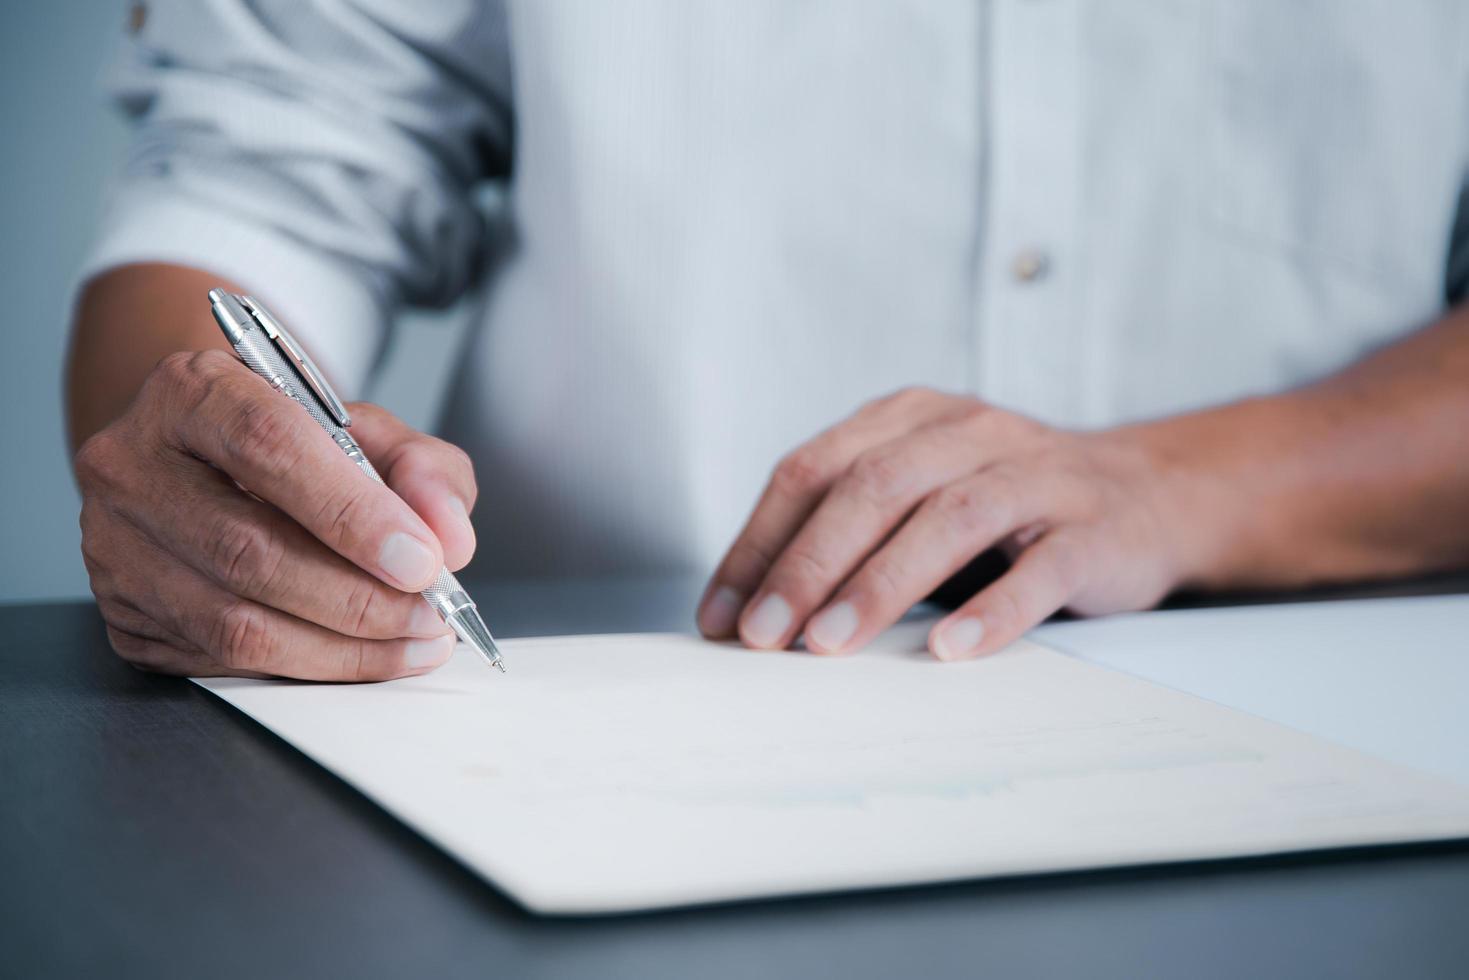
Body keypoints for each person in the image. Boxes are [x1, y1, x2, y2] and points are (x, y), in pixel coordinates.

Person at [69, 2, 1469, 680]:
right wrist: (217, 455)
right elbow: (257, 166)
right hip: (588, 734)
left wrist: (1195, 483)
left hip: (1346, 729)